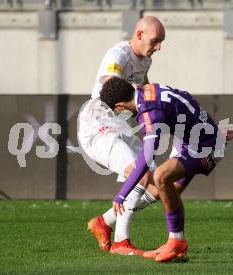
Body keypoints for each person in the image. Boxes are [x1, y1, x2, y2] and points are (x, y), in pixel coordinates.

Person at [100, 77, 233, 262]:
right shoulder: (146, 90)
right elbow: (187, 99)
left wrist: (121, 195)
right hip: (190, 141)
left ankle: (176, 242)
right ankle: (105, 221)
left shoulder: (149, 111)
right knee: (166, 191)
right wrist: (210, 128)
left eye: (116, 111)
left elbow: (146, 158)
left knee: (161, 176)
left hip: (207, 148)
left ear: (120, 105)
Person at [79, 16, 165, 255]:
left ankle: (104, 222)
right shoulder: (118, 55)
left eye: (161, 43)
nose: (158, 47)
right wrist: (139, 95)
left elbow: (145, 89)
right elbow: (109, 83)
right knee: (136, 173)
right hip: (98, 122)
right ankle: (121, 242)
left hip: (120, 124)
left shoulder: (144, 60)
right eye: (155, 40)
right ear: (139, 34)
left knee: (157, 185)